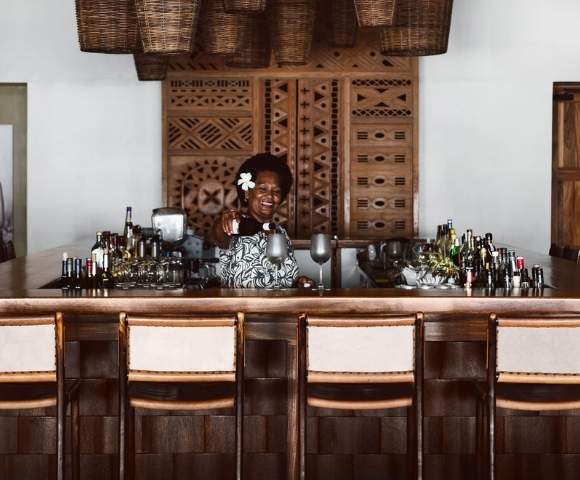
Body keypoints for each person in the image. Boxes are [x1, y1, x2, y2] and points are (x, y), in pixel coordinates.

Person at [210, 153, 312, 289]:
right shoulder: (236, 225)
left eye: (276, 192)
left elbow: (280, 276)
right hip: (243, 308)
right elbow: (217, 236)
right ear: (247, 193)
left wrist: (297, 282)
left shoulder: (280, 232)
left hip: (279, 307)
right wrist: (223, 222)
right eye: (263, 189)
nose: (269, 196)